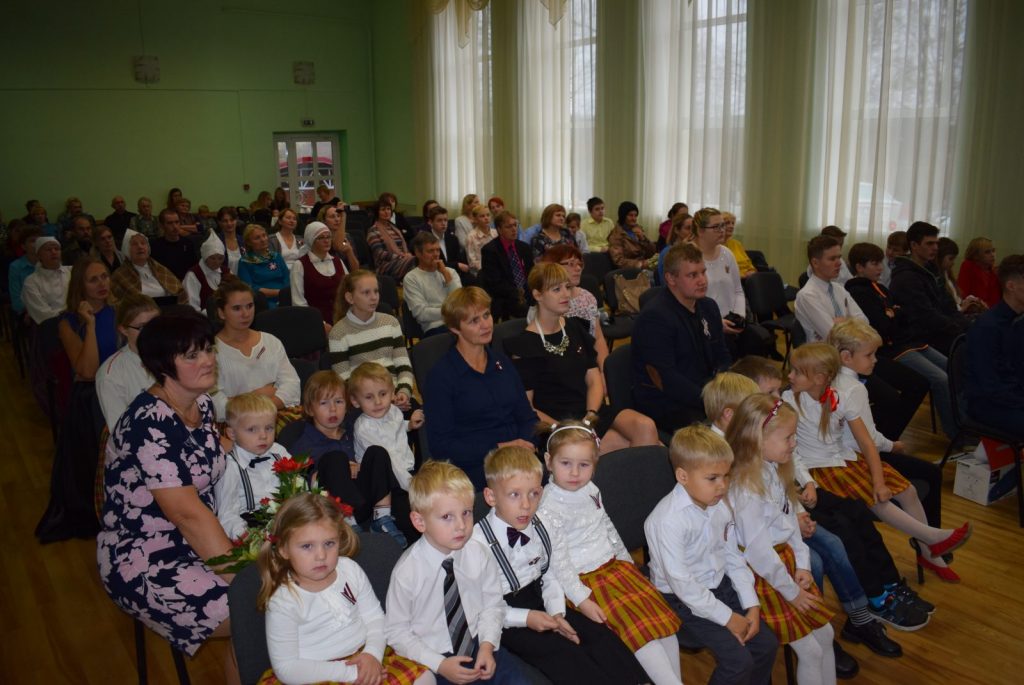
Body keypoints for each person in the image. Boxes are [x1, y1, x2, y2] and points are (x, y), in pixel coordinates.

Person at [96, 312, 237, 681]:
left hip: (202, 534)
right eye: (191, 355)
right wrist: (244, 578)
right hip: (146, 553)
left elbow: (206, 466)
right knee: (258, 609)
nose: (207, 360)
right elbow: (186, 515)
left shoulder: (202, 404)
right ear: (162, 367)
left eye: (208, 349)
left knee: (294, 580)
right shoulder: (148, 423)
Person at [783, 343, 971, 582]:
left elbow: (867, 442)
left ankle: (928, 553)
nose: (789, 376)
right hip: (818, 468)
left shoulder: (840, 397)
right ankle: (933, 538)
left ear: (819, 378)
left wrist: (879, 480)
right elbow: (791, 452)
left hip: (845, 460)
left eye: (796, 372)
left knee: (909, 491)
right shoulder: (788, 402)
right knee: (876, 500)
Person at [473, 446, 649, 683]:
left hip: (543, 599)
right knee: (565, 655)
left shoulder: (544, 523)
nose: (526, 505)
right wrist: (528, 618)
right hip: (506, 617)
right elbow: (485, 609)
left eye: (534, 494)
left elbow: (551, 573)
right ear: (491, 497)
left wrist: (557, 612)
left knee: (598, 637)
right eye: (514, 495)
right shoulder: (477, 544)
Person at [538, 421, 683, 685]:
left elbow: (607, 527)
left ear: (595, 464)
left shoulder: (591, 490)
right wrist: (582, 600)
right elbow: (558, 563)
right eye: (565, 463)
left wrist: (627, 563)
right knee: (642, 637)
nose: (574, 472)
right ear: (549, 461)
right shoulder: (548, 507)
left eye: (584, 465)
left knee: (664, 629)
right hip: (586, 582)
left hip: (616, 570)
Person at [646, 425, 779, 685]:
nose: (722, 486)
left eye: (726, 476)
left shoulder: (718, 507)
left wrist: (751, 605)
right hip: (681, 600)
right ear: (683, 476)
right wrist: (728, 618)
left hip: (719, 586)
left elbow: (733, 557)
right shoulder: (666, 521)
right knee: (738, 663)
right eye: (713, 478)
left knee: (766, 646)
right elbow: (683, 584)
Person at [258, 493, 431, 685]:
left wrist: (372, 654)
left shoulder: (349, 569)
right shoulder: (284, 600)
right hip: (316, 673)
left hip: (364, 655)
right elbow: (287, 668)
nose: (321, 555)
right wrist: (352, 673)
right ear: (283, 549)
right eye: (307, 546)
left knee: (425, 678)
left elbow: (375, 618)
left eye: (329, 543)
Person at [724, 395, 837, 685]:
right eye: (788, 437)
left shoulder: (772, 468)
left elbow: (789, 521)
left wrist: (803, 564)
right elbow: (759, 554)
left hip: (783, 563)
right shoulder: (745, 488)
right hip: (763, 575)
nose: (794, 443)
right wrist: (792, 592)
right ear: (757, 439)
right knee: (810, 652)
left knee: (826, 634)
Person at [386, 461, 529, 684]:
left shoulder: (478, 552)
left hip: (479, 641)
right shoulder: (407, 572)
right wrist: (439, 664)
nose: (461, 525)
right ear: (420, 521)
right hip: (432, 655)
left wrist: (487, 646)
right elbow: (396, 632)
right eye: (447, 517)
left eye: (466, 513)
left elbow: (492, 605)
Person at [507, 263, 659, 453]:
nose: (566, 294)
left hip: (589, 410)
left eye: (567, 287)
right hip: (556, 422)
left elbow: (594, 380)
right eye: (556, 289)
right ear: (538, 295)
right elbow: (527, 406)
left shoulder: (574, 327)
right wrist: (565, 427)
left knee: (646, 426)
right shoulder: (524, 345)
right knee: (640, 445)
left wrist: (590, 416)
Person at [797, 234, 929, 440]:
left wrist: (843, 322)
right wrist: (847, 324)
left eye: (839, 257)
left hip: (859, 356)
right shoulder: (808, 295)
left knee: (919, 384)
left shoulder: (839, 289)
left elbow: (864, 322)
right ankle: (869, 441)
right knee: (890, 398)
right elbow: (835, 336)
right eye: (832, 258)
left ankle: (881, 438)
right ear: (815, 262)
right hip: (834, 364)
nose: (839, 263)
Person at [36, 257, 118, 542]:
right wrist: (91, 326)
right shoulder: (67, 323)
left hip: (120, 389)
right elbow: (87, 370)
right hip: (90, 398)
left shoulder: (120, 312)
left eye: (105, 276)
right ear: (80, 286)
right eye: (93, 279)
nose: (102, 284)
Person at [424, 287, 537, 489]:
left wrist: (524, 444)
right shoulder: (441, 377)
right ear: (455, 329)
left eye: (486, 315)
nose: (485, 324)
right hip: (476, 468)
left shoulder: (502, 363)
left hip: (519, 460)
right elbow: (441, 446)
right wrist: (499, 448)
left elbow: (527, 417)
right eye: (474, 321)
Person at [844, 242, 956, 439]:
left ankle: (962, 421)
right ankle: (955, 433)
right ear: (860, 267)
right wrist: (893, 314)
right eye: (874, 263)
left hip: (909, 341)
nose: (880, 268)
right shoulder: (858, 292)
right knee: (940, 379)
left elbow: (905, 316)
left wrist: (893, 314)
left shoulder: (880, 288)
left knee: (952, 367)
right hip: (891, 349)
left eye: (881, 263)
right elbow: (880, 327)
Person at [287, 371, 411, 538]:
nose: (333, 409)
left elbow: (380, 414)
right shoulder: (304, 446)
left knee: (377, 451)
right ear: (309, 409)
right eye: (324, 403)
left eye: (339, 402)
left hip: (367, 499)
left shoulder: (354, 429)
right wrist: (333, 470)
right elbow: (299, 487)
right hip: (332, 509)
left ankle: (382, 518)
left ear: (347, 405)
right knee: (335, 459)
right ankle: (348, 523)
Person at [632, 242, 731, 431]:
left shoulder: (708, 307)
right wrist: (711, 401)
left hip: (705, 392)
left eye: (703, 272)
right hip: (668, 404)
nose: (702, 280)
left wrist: (725, 390)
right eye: (692, 275)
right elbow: (667, 379)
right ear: (671, 278)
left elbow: (722, 354)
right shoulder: (655, 318)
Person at [349, 362, 424, 546]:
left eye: (383, 394)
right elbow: (390, 459)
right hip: (387, 485)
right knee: (410, 522)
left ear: (392, 393)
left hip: (406, 472)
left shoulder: (394, 412)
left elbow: (394, 429)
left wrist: (408, 425)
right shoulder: (364, 428)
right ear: (356, 401)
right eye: (369, 397)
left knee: (426, 514)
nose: (377, 402)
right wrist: (414, 487)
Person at [211, 278, 300, 420]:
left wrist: (238, 399)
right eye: (237, 308)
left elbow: (292, 385)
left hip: (276, 413)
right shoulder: (211, 352)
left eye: (249, 306)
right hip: (235, 423)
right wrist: (261, 394)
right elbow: (217, 406)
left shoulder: (270, 341)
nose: (246, 314)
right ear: (221, 313)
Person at [329, 270, 415, 409]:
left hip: (396, 395)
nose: (374, 297)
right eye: (366, 293)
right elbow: (344, 381)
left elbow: (404, 366)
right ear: (350, 298)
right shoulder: (338, 333)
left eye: (376, 291)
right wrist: (382, 401)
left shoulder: (390, 322)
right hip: (365, 403)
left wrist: (403, 392)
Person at [214, 393, 290, 539]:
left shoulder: (279, 452)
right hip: (253, 526)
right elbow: (227, 515)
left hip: (287, 518)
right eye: (252, 429)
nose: (263, 436)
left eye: (269, 428)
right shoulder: (230, 465)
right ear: (232, 434)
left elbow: (297, 486)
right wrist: (248, 537)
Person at [888, 221, 969, 355]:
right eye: (930, 244)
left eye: (936, 243)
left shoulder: (931, 270)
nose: (935, 248)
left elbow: (948, 304)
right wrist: (958, 327)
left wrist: (965, 324)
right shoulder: (905, 277)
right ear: (914, 245)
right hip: (920, 339)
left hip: (940, 332)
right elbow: (925, 317)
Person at [966, 254, 1024, 438]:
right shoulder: (988, 327)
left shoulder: (1017, 320)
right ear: (1011, 286)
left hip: (1011, 397)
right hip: (989, 405)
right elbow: (989, 385)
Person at [538, 244, 610, 370]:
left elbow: (598, 338)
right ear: (553, 266)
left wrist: (605, 371)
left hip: (589, 364)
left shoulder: (587, 296)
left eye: (580, 264)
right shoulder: (547, 303)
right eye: (571, 264)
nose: (578, 268)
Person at [96, 293, 160, 428]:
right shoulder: (111, 374)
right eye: (142, 327)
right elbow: (121, 431)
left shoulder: (176, 354)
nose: (152, 331)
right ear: (124, 330)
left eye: (156, 323)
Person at [404, 232, 463, 336]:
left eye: (438, 250)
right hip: (435, 327)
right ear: (418, 253)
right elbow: (421, 314)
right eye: (430, 251)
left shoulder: (450, 272)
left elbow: (460, 302)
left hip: (459, 322)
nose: (436, 254)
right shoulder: (411, 278)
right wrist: (451, 312)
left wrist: (446, 275)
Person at [480, 210, 535, 321]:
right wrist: (518, 293)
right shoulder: (490, 250)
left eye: (515, 225)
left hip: (528, 293)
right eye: (509, 227)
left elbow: (532, 273)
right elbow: (494, 283)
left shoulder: (524, 247)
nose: (514, 229)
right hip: (505, 297)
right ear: (499, 230)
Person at [110, 228, 188, 305]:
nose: (140, 247)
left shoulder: (160, 269)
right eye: (134, 244)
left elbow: (179, 292)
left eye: (143, 243)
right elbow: (118, 303)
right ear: (127, 249)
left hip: (168, 309)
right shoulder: (120, 275)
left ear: (148, 248)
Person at [290, 221, 345, 325]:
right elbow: (298, 303)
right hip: (315, 322)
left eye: (328, 237)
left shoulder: (338, 261)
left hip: (342, 318)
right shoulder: (300, 265)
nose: (326, 241)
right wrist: (321, 324)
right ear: (311, 240)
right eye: (321, 238)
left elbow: (350, 289)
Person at [22, 236, 73, 324]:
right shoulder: (31, 281)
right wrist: (66, 316)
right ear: (39, 255)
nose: (54, 252)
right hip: (52, 325)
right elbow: (42, 313)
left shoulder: (72, 271)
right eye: (48, 250)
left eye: (56, 249)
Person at [237, 223, 290, 308]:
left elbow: (287, 278)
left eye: (264, 235)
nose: (263, 240)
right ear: (249, 242)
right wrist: (278, 292)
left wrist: (284, 294)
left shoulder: (277, 256)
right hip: (262, 301)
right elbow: (249, 288)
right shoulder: (245, 262)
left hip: (284, 297)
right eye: (257, 238)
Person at [367, 196, 417, 283]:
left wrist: (406, 255)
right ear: (377, 212)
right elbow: (379, 254)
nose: (386, 212)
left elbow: (403, 247)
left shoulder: (394, 228)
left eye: (388, 209)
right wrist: (401, 257)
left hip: (402, 260)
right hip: (385, 266)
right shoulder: (373, 231)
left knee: (421, 259)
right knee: (415, 260)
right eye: (383, 210)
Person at [425, 204, 472, 283]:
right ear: (430, 222)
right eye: (439, 220)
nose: (443, 223)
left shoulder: (453, 239)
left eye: (445, 220)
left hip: (454, 274)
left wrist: (457, 266)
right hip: (434, 276)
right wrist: (456, 265)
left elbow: (459, 260)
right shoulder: (426, 240)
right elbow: (434, 264)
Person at [182, 233, 229, 312]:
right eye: (212, 258)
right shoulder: (193, 275)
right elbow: (192, 307)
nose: (217, 262)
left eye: (220, 258)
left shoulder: (227, 272)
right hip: (202, 317)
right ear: (205, 257)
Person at [150, 208, 199, 280]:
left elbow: (194, 268)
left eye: (177, 222)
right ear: (162, 226)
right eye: (170, 223)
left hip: (187, 281)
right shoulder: (155, 246)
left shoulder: (188, 243)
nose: (175, 226)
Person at [607, 201, 656, 269]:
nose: (634, 219)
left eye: (635, 215)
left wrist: (643, 239)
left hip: (645, 266)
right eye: (630, 215)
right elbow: (619, 261)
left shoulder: (638, 228)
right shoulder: (616, 235)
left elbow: (652, 253)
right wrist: (640, 264)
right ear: (623, 216)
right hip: (629, 270)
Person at [8, 225, 42, 318]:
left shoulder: (49, 262)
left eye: (39, 240)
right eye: (32, 241)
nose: (37, 243)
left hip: (51, 309)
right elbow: (17, 302)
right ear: (23, 246)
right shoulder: (15, 267)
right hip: (27, 312)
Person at [957, 237, 1001, 308]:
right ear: (976, 256)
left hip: (991, 310)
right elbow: (963, 294)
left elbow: (996, 299)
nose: (992, 255)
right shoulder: (968, 266)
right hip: (973, 309)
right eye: (987, 252)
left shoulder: (994, 272)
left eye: (993, 251)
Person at [318, 202, 361, 272]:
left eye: (338, 216)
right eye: (332, 217)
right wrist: (343, 216)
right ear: (324, 221)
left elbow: (356, 269)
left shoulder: (347, 236)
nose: (337, 219)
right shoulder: (322, 238)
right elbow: (338, 245)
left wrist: (349, 251)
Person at [464, 203, 497, 275]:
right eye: (482, 216)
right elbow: (472, 261)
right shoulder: (471, 237)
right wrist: (488, 269)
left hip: (496, 269)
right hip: (479, 273)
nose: (486, 218)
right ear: (475, 219)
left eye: (488, 215)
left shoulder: (496, 233)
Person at [215, 206, 245, 274]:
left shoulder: (243, 240)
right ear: (219, 222)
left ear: (236, 220)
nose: (229, 223)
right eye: (225, 221)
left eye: (232, 220)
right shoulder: (216, 242)